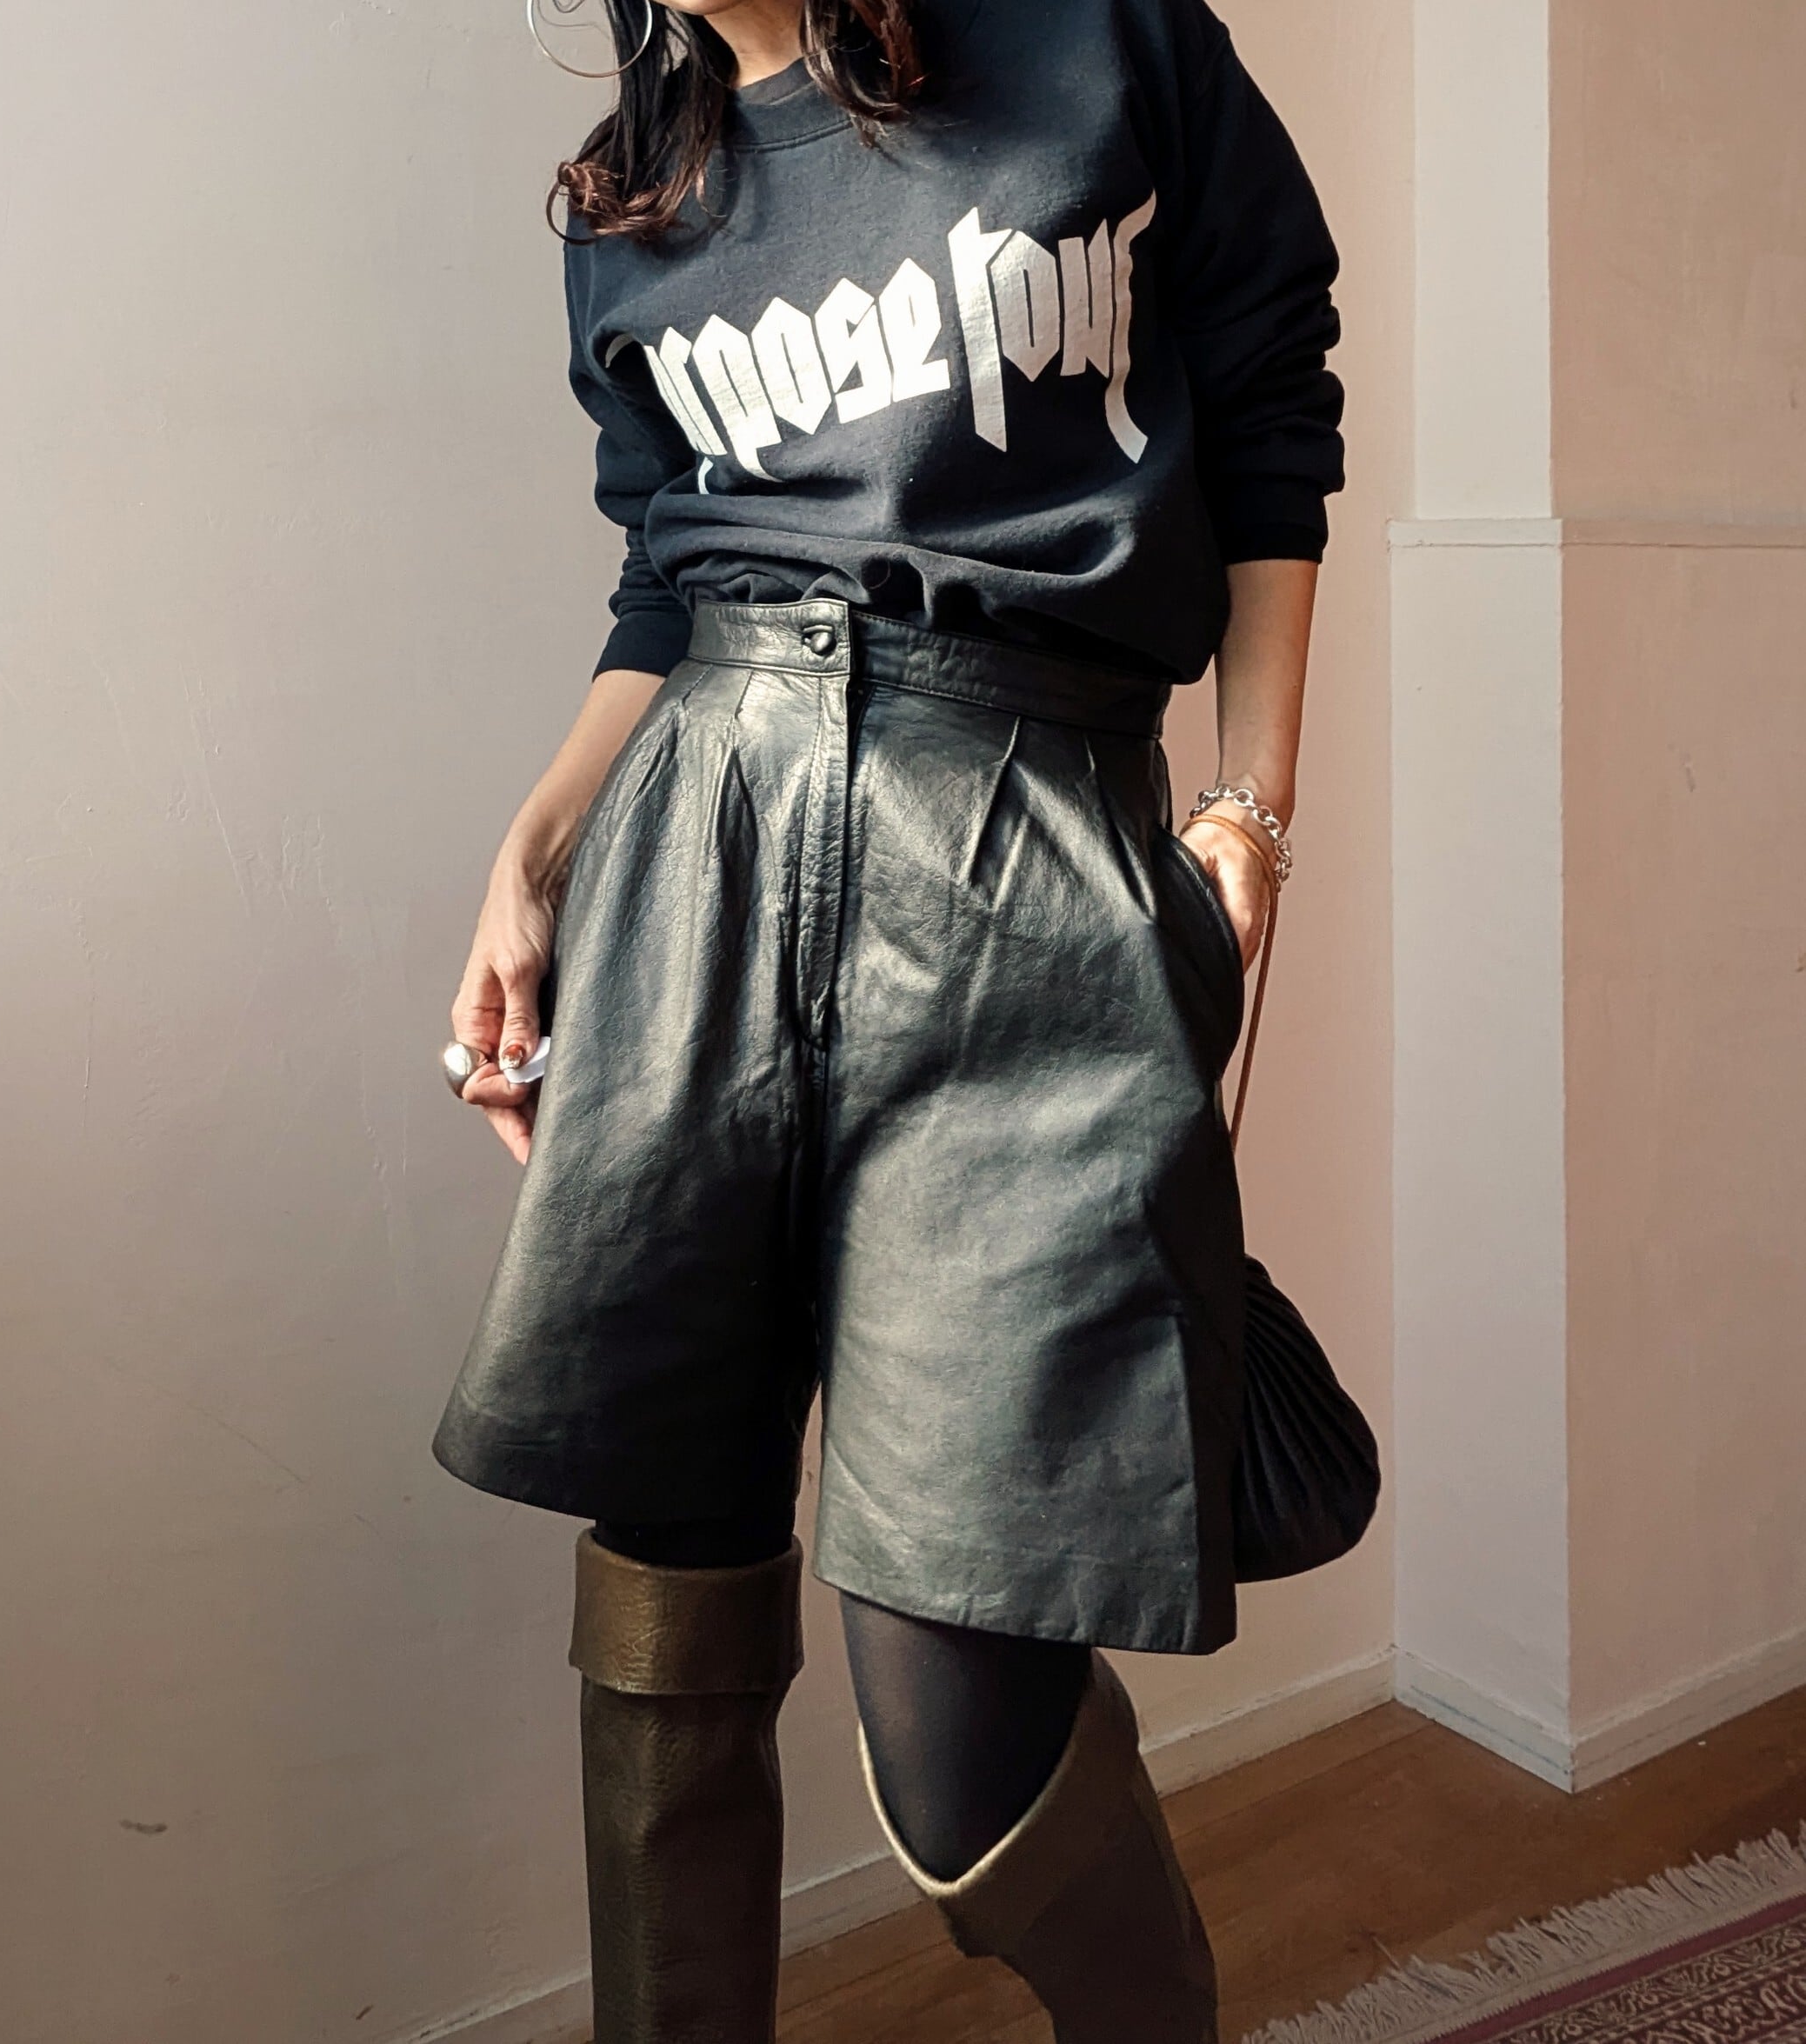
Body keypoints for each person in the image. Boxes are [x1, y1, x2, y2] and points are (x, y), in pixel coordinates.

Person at [434, 0, 1342, 2035]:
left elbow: (1275, 401)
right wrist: (536, 844)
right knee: (668, 1559)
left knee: (963, 1693)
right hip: (699, 851)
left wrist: (1253, 806)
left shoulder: (1100, 40)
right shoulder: (638, 188)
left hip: (1025, 839)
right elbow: (670, 572)